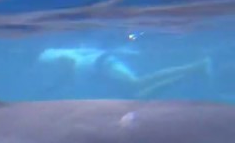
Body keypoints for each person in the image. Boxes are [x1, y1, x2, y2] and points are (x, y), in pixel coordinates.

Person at [37, 46, 212, 98]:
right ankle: (192, 72)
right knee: (137, 94)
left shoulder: (53, 57)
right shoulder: (62, 59)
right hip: (100, 65)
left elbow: (68, 66)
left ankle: (195, 66)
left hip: (101, 64)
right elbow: (66, 76)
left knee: (138, 83)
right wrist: (52, 89)